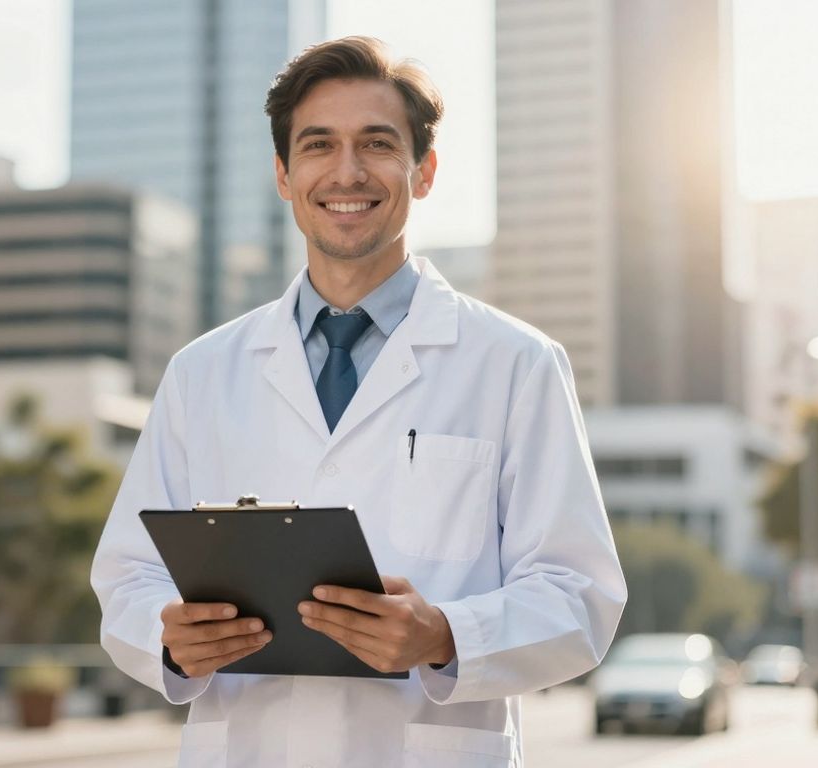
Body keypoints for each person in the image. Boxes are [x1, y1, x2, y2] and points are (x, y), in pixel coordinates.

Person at [91, 36, 626, 766]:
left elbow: (580, 596)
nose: (347, 172)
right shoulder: (202, 373)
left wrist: (445, 635)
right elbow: (127, 574)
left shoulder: (515, 364)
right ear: (283, 174)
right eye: (318, 146)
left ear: (424, 171)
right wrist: (169, 635)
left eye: (377, 144)